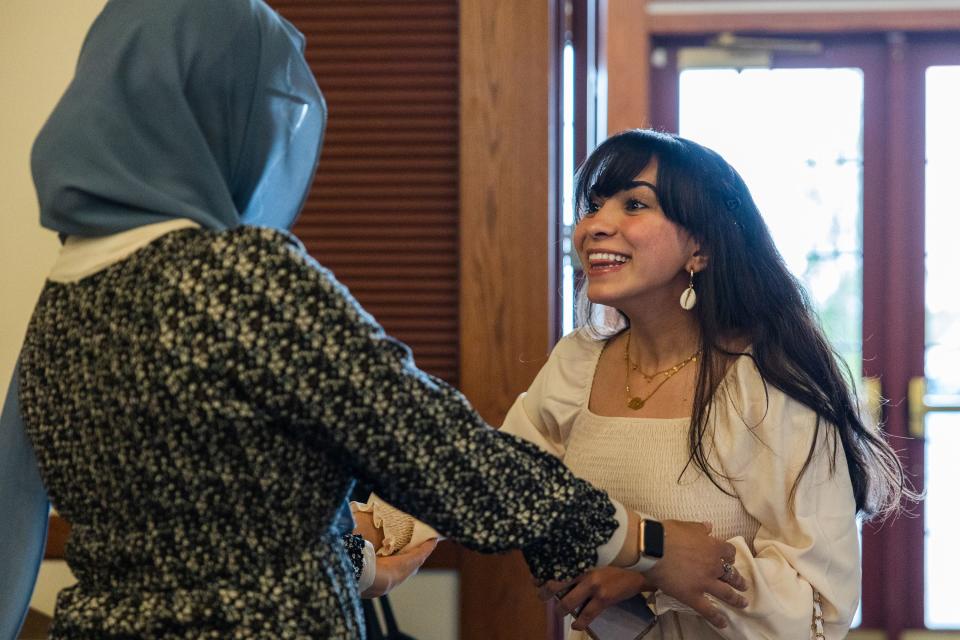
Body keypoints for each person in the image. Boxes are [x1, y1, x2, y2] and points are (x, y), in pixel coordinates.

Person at [0, 2, 748, 638]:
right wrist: (644, 542)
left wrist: (355, 558)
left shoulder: (69, 292)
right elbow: (435, 450)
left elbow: (194, 513)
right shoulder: (233, 275)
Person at [499, 129, 916, 638]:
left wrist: (651, 574)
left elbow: (817, 607)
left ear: (701, 246)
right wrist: (384, 535)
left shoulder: (764, 386)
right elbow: (498, 476)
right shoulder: (575, 364)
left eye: (633, 204)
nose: (595, 226)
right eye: (593, 205)